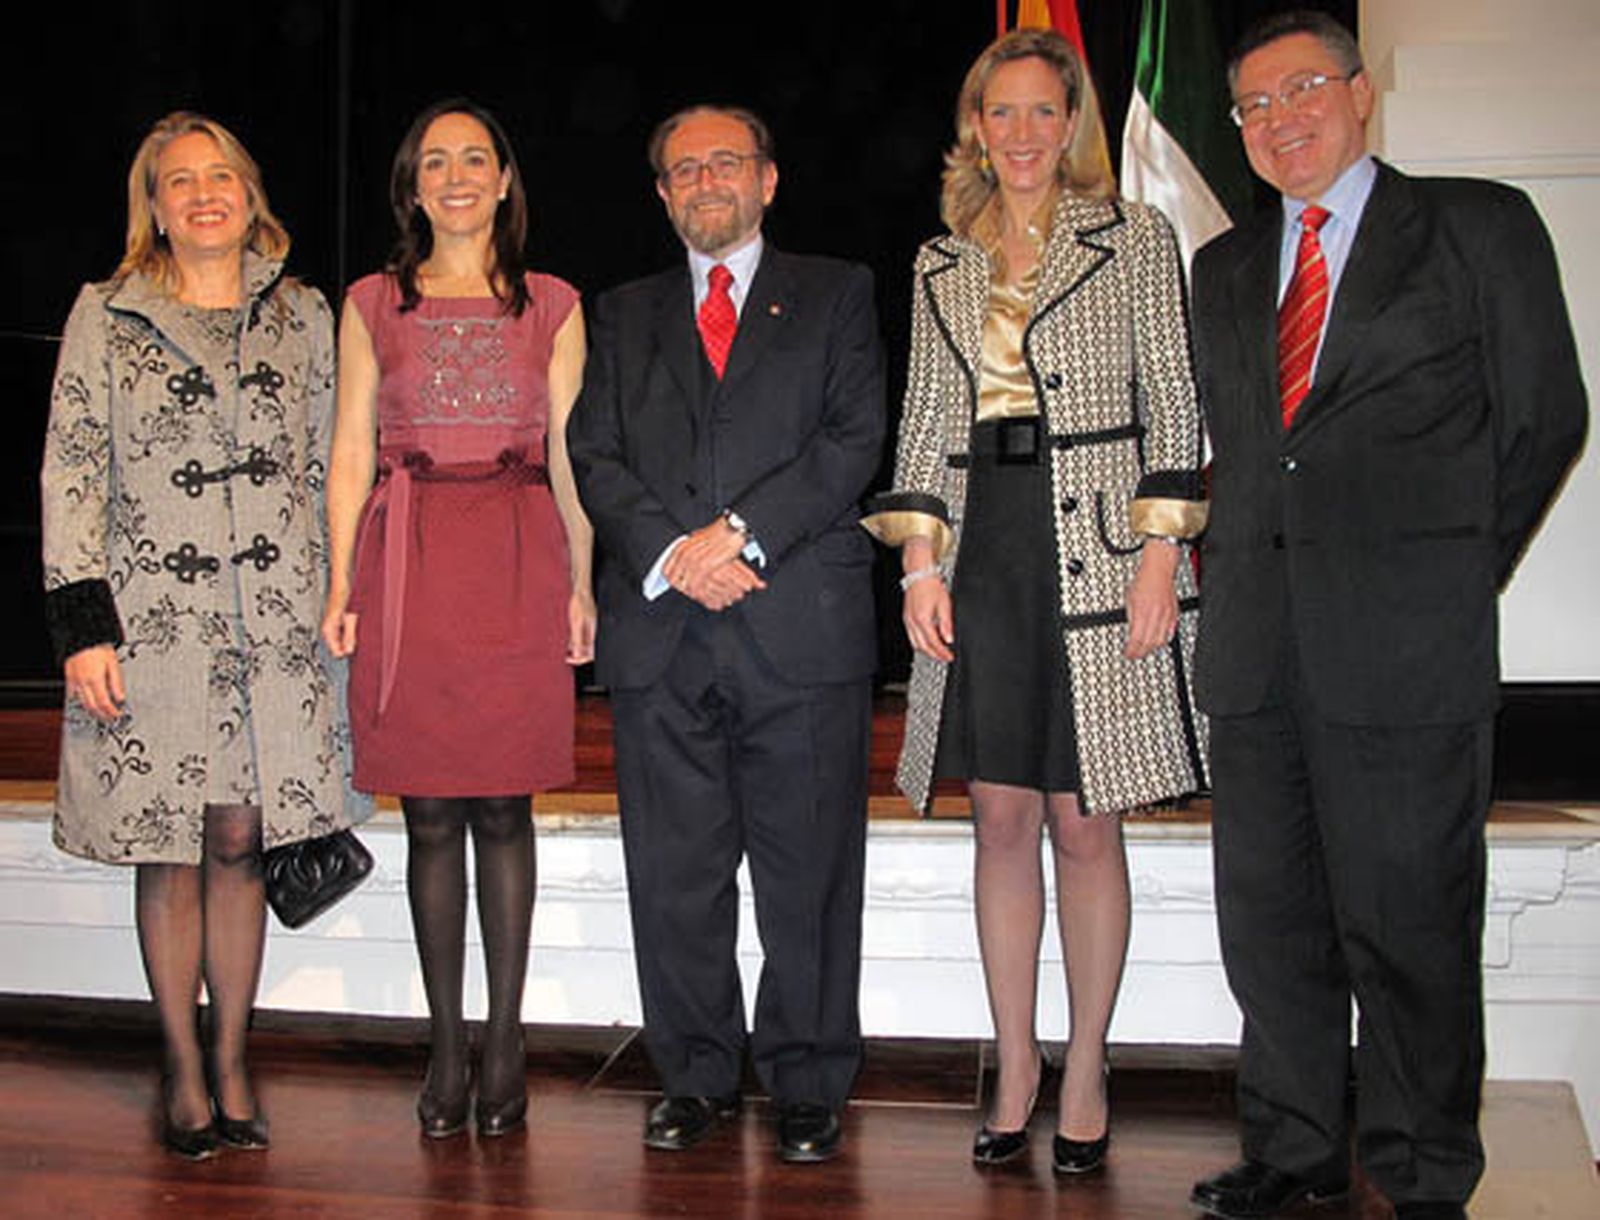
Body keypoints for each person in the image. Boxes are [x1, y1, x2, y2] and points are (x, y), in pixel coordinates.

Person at [1188, 12, 1587, 1219]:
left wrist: (1453, 570)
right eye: (1252, 106)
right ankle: (1294, 1148)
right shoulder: (1223, 269)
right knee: (1272, 927)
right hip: (1257, 652)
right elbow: (1250, 456)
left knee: (1411, 924)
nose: (1275, 120)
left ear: (1362, 93)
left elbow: (1543, 421)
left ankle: (1422, 1173)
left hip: (1408, 648)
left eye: (1299, 89)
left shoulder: (1474, 227)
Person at [862, 27, 1207, 1174]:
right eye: (998, 113)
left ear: (1072, 125)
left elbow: (1175, 402)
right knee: (999, 819)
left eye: (1040, 113)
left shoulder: (1136, 236)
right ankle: (1014, 1062)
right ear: (975, 126)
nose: (1018, 134)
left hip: (1100, 546)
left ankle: (1089, 1063)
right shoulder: (939, 260)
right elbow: (920, 418)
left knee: (1084, 819)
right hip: (985, 552)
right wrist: (917, 562)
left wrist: (1161, 553)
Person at [40, 111, 367, 1159]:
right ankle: (180, 1062)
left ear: (250, 190)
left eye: (220, 174)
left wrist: (342, 583)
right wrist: (84, 625)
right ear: (156, 206)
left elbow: (335, 458)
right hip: (153, 625)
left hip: (275, 628)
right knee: (168, 842)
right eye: (179, 181)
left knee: (241, 835)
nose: (203, 193)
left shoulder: (303, 312)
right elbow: (72, 466)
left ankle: (233, 1050)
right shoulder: (108, 312)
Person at [567, 103, 884, 1164]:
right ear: (661, 192)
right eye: (684, 167)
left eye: (727, 162)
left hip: (795, 622)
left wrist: (736, 537)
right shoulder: (621, 313)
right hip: (665, 632)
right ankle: (695, 1073)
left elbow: (853, 440)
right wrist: (672, 556)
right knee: (674, 873)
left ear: (768, 178)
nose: (707, 180)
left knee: (809, 870)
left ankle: (806, 1078)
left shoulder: (839, 292)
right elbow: (596, 453)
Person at [321, 99, 593, 1140]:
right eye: (435, 161)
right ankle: (445, 1040)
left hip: (520, 553)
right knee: (431, 813)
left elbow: (573, 456)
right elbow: (349, 451)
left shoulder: (556, 303)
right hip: (408, 556)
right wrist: (339, 580)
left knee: (503, 807)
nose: (456, 175)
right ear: (411, 186)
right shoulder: (371, 302)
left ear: (505, 178)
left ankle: (508, 1035)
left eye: (474, 157)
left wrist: (582, 581)